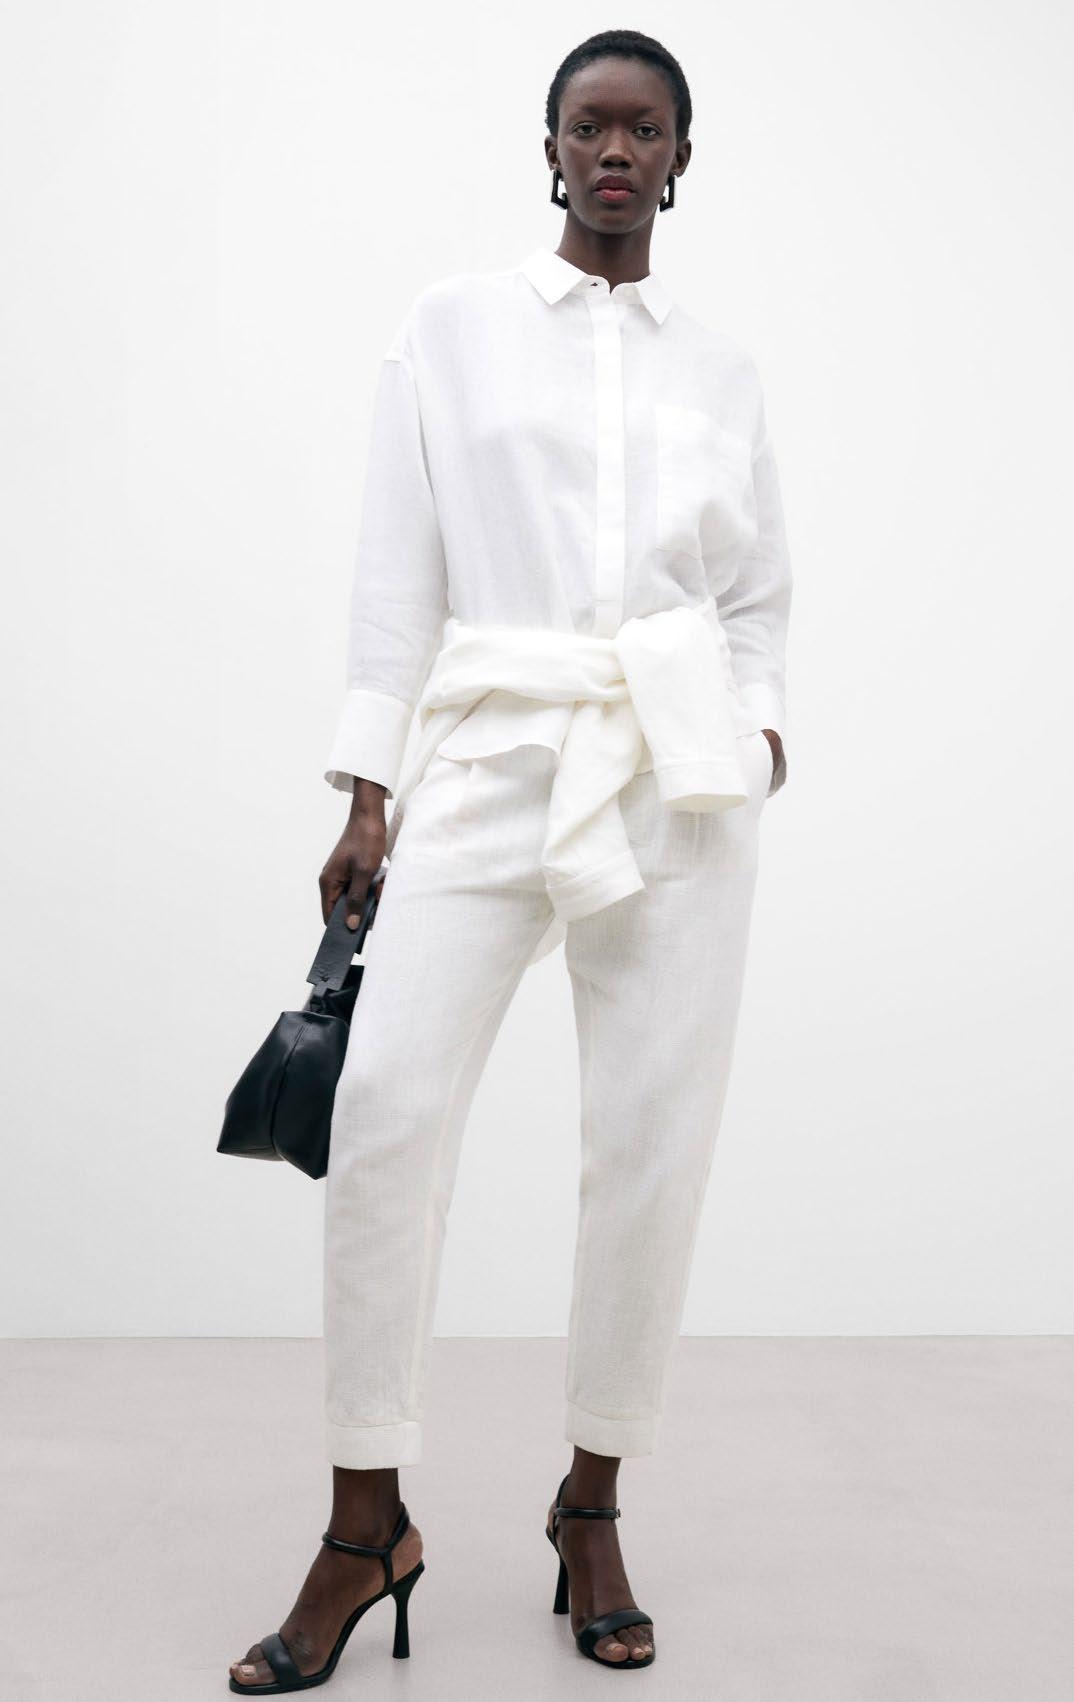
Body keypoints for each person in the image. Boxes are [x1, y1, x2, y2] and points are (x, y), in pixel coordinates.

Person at [229, 25, 791, 1691]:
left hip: (672, 775)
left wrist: (755, 732)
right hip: (486, 752)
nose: (615, 151)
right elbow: (394, 570)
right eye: (588, 126)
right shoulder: (451, 328)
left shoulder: (722, 369)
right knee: (386, 1117)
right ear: (547, 148)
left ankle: (590, 1502)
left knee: (650, 1142)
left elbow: (757, 594)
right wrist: (367, 787)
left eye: (645, 129)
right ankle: (363, 1521)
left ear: (680, 160)